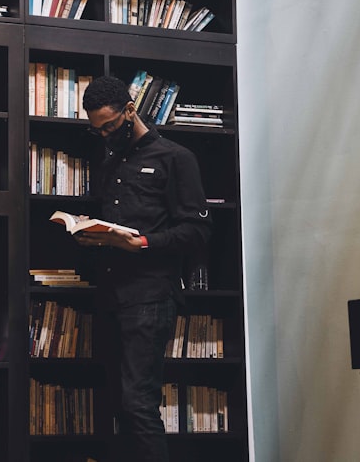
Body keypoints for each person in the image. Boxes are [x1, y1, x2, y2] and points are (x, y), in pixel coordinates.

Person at [77, 75, 211, 462]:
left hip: (150, 296)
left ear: (130, 110)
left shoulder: (175, 158)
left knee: (139, 402)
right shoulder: (111, 162)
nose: (103, 135)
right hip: (110, 294)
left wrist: (144, 243)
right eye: (96, 130)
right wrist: (90, 232)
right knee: (118, 401)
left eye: (109, 126)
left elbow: (198, 230)